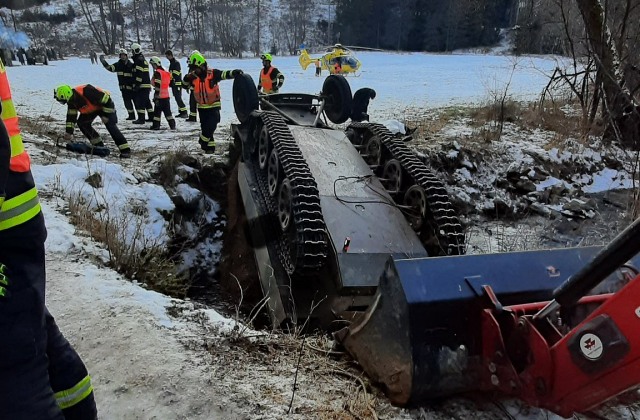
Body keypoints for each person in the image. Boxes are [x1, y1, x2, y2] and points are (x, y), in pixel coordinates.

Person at [0, 60, 98, 420]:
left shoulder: (87, 92)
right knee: (33, 334)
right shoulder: (73, 99)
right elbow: (74, 117)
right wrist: (70, 135)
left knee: (14, 374)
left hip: (8, 224)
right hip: (15, 218)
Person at [182, 51, 242, 153]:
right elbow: (184, 85)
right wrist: (186, 78)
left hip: (213, 106)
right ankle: (210, 149)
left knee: (212, 125)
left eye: (194, 68)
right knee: (206, 128)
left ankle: (203, 141)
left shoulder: (213, 74)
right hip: (202, 108)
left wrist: (234, 73)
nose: (193, 71)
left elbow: (224, 74)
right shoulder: (193, 78)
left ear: (201, 65)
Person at [53, 84, 132, 158]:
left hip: (105, 106)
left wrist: (106, 116)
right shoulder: (71, 101)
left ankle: (125, 150)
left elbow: (107, 101)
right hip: (91, 109)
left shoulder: (87, 91)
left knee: (110, 125)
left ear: (66, 95)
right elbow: (71, 117)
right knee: (82, 123)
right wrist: (69, 132)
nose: (62, 103)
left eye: (62, 101)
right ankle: (98, 146)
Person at [100, 48, 137, 121]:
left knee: (136, 102)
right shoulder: (118, 65)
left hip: (132, 88)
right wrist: (103, 61)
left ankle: (140, 116)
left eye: (124, 55)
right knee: (127, 103)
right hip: (123, 88)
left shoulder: (131, 65)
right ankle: (131, 115)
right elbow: (109, 68)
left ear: (126, 56)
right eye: (121, 55)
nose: (123, 56)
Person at [149, 56, 176, 130]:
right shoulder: (166, 72)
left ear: (155, 64)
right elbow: (171, 83)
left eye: (152, 64)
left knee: (157, 113)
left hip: (160, 97)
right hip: (166, 96)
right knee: (168, 113)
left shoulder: (157, 73)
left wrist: (156, 97)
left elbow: (157, 85)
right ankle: (172, 125)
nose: (152, 66)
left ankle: (156, 126)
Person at [130, 43, 154, 124]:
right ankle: (151, 117)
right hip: (146, 85)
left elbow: (139, 74)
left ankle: (141, 119)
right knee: (147, 102)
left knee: (140, 102)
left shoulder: (138, 60)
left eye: (132, 51)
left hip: (142, 86)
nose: (132, 53)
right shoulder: (142, 59)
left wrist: (137, 85)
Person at [165, 50, 188, 118]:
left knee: (178, 98)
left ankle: (184, 112)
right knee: (177, 98)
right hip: (173, 84)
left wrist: (169, 77)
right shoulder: (172, 63)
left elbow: (176, 73)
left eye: (167, 56)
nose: (167, 58)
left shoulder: (176, 63)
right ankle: (181, 111)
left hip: (177, 83)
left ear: (170, 55)